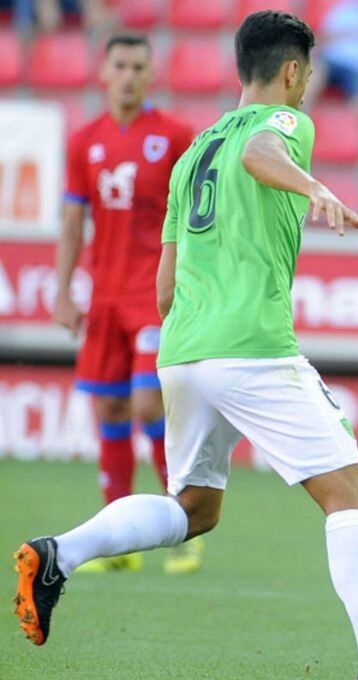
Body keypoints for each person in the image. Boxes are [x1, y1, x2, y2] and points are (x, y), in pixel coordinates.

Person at [13, 10, 358, 680]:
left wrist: (193, 340)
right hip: (251, 346)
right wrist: (314, 187)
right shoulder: (285, 126)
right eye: (306, 74)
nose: (307, 86)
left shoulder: (193, 152)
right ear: (291, 71)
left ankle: (58, 554)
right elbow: (262, 154)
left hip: (185, 349)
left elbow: (165, 284)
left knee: (194, 508)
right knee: (350, 494)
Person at [54, 33, 199, 574]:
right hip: (106, 296)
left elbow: (196, 217)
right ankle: (117, 545)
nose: (130, 75)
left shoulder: (175, 136)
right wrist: (65, 290)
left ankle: (185, 524)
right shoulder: (83, 141)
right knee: (111, 410)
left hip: (154, 294)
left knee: (146, 405)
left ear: (151, 75)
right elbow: (72, 222)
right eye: (121, 65)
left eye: (140, 66)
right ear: (102, 72)